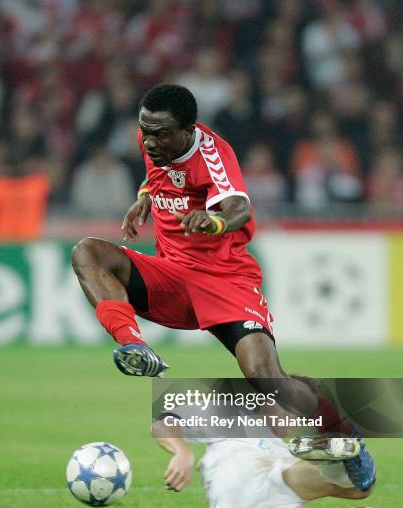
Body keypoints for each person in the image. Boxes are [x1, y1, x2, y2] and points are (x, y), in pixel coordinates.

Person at [70, 83, 347, 430]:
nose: (150, 142)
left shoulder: (212, 154)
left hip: (225, 280)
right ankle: (133, 344)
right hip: (171, 275)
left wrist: (214, 221)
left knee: (266, 379)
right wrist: (145, 195)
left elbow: (240, 209)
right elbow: (157, 171)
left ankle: (339, 428)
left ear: (188, 132)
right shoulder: (152, 139)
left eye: (160, 135)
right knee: (88, 252)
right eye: (146, 132)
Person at [151, 414, 381, 508]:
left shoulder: (287, 450)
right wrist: (182, 451)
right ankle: (345, 459)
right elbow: (163, 423)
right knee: (342, 481)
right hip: (250, 480)